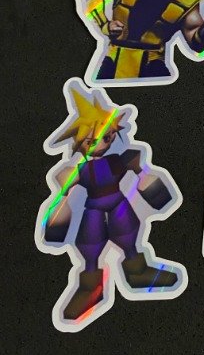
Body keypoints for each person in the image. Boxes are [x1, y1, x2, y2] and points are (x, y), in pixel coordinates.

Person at [40, 85, 182, 322]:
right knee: (90, 244)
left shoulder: (118, 160)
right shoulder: (81, 170)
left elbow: (145, 179)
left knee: (128, 234)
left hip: (118, 203)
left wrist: (152, 188)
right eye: (90, 141)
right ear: (79, 142)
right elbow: (63, 199)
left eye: (106, 137)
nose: (100, 144)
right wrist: (57, 219)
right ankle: (89, 287)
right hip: (94, 208)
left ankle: (138, 271)